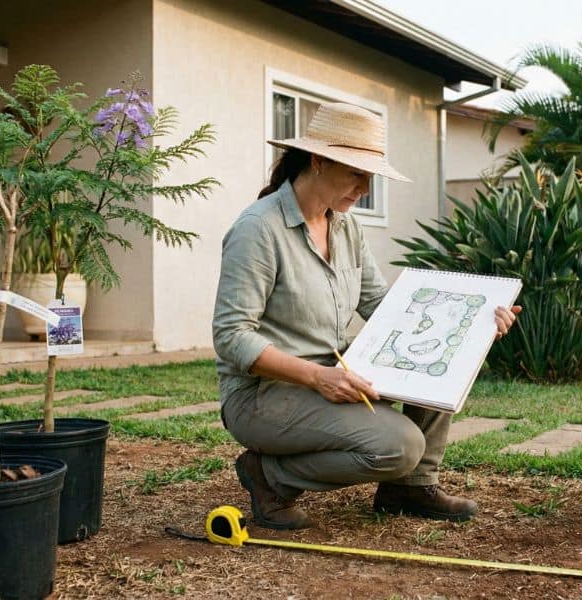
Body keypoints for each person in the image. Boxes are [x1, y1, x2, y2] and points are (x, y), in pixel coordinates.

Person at [213, 102, 520, 530]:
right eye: (357, 173)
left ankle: (409, 487)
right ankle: (270, 476)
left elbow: (384, 306)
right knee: (399, 445)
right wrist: (318, 377)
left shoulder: (345, 226)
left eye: (369, 176)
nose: (365, 188)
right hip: (263, 396)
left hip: (330, 377)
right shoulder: (258, 230)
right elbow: (231, 336)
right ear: (318, 161)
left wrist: (475, 326)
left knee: (442, 362)